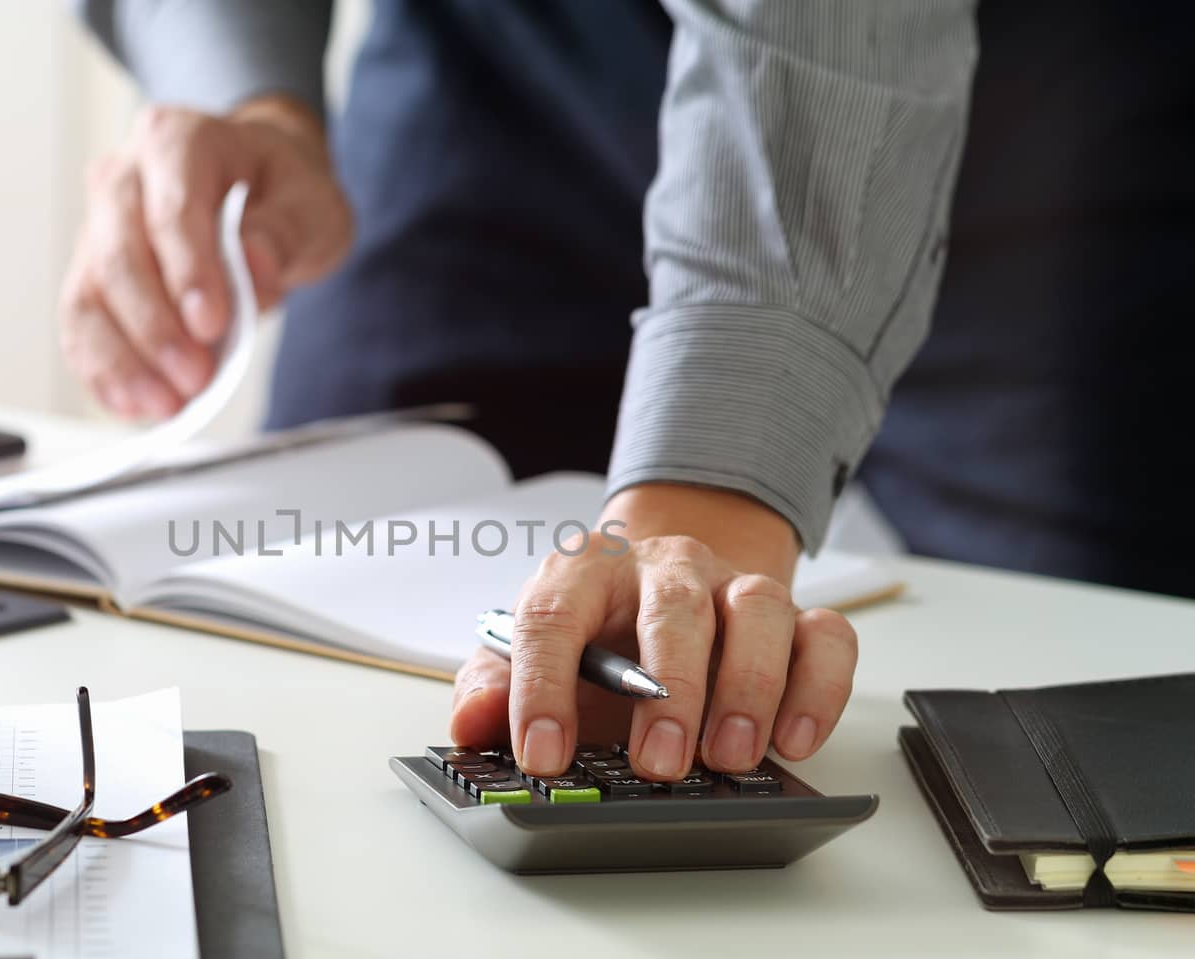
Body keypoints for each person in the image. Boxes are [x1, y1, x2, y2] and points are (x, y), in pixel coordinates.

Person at [62, 1, 1190, 780]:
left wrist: (705, 494)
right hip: (495, 65)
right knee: (326, 687)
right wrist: (251, 95)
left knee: (1099, 733)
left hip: (1037, 104)